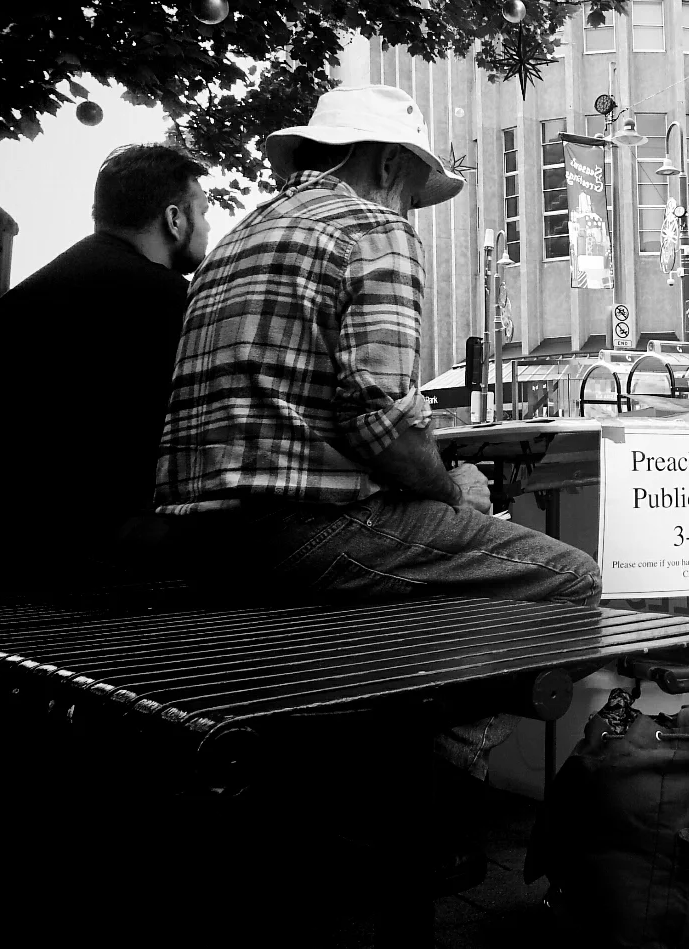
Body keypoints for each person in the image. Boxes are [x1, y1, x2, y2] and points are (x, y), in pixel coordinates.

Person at [152, 84, 600, 885]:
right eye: (415, 191)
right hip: (298, 530)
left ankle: (388, 786)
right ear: (389, 162)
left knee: (432, 581)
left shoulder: (242, 235)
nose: (414, 210)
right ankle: (417, 792)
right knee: (571, 578)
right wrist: (452, 486)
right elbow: (376, 420)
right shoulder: (373, 227)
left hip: (197, 533)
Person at [0, 144, 210, 585]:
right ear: (175, 220)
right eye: (203, 212)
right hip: (91, 558)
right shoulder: (172, 302)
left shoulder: (26, 297)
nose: (207, 227)